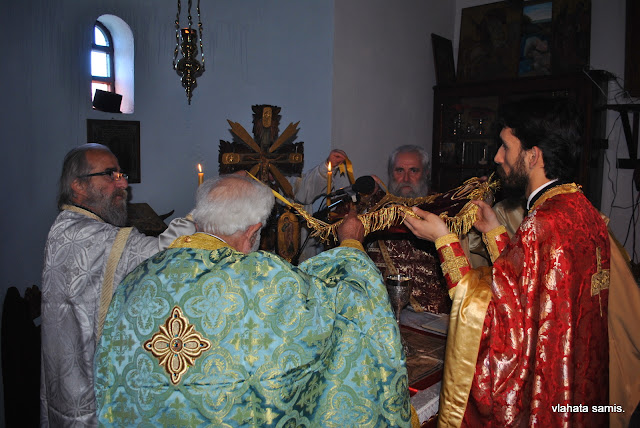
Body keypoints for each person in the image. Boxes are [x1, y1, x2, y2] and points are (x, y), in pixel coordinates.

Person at [94, 175, 411, 427]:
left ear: (199, 221)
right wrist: (351, 243)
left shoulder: (138, 277)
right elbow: (344, 303)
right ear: (254, 231)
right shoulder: (265, 278)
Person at [403, 98, 611, 426]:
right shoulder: (580, 209)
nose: (497, 157)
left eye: (505, 146)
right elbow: (527, 294)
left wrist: (443, 241)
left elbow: (493, 320)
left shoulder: (542, 223)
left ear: (533, 155)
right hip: (577, 384)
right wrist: (494, 232)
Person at [41, 143, 195, 427]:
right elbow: (164, 255)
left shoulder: (66, 226)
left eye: (122, 175)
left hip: (69, 383)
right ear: (78, 186)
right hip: (89, 387)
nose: (123, 184)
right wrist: (202, 214)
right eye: (110, 175)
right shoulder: (85, 234)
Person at [365, 145, 451, 314]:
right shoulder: (376, 207)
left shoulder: (441, 207)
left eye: (413, 170)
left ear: (426, 173)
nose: (406, 178)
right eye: (399, 170)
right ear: (390, 173)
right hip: (379, 308)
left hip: (430, 312)